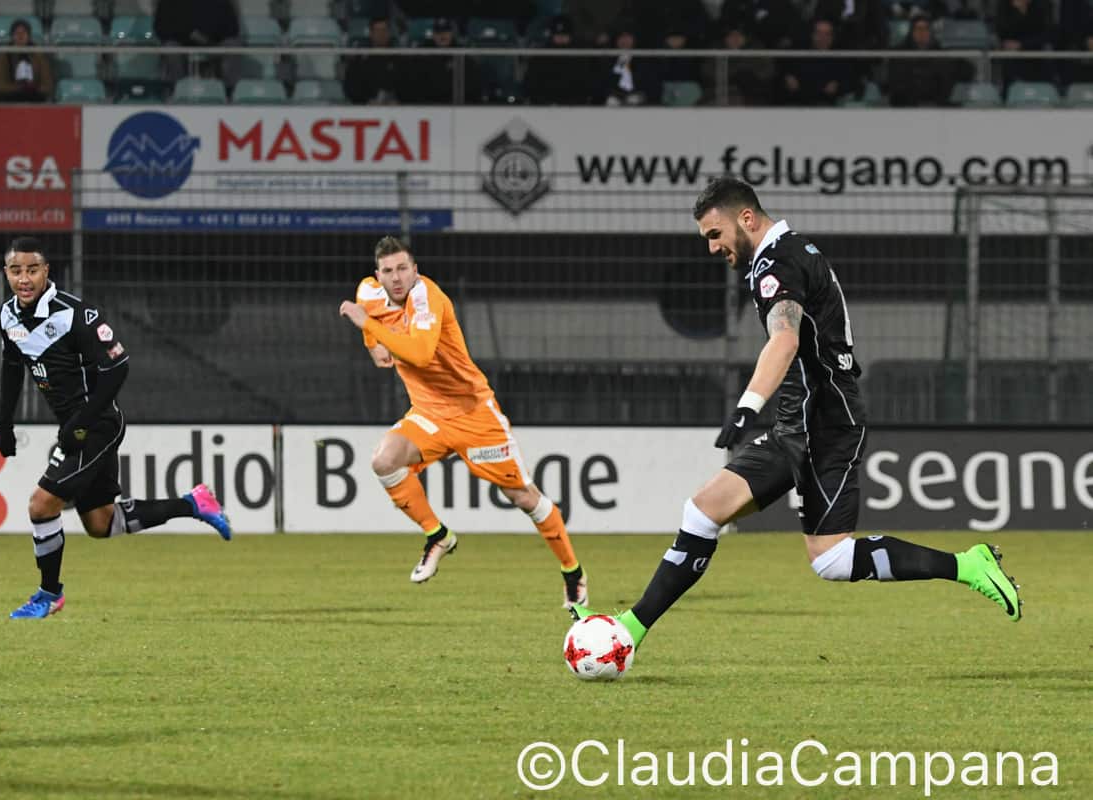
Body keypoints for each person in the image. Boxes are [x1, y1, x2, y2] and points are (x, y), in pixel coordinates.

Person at [571, 178, 1022, 650]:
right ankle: (630, 629)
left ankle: (967, 565)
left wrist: (747, 406)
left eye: (715, 234)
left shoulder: (777, 262)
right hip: (804, 418)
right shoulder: (788, 253)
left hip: (823, 421)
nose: (712, 247)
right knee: (715, 516)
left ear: (746, 218)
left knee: (821, 555)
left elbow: (784, 339)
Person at [338, 236, 588, 609]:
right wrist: (372, 343)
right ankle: (437, 535)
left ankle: (573, 572)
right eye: (388, 271)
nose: (396, 277)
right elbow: (368, 318)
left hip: (473, 413)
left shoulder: (428, 297)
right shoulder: (367, 292)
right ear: (378, 275)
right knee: (384, 461)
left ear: (415, 270)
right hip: (428, 412)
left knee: (523, 497)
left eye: (403, 268)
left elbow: (421, 354)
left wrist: (369, 326)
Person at [0, 237, 232, 620]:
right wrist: (5, 422)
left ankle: (48, 594)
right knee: (101, 523)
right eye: (16, 270)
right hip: (75, 426)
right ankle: (193, 503)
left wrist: (81, 422)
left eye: (32, 270)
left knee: (41, 504)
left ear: (46, 271)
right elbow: (11, 365)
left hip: (98, 424)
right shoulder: (7, 315)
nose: (24, 278)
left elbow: (117, 367)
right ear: (6, 273)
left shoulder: (75, 314)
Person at [887, 15, 956, 106]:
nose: (922, 32)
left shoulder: (941, 55)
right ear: (912, 32)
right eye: (918, 29)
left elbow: (945, 85)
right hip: (905, 105)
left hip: (935, 105)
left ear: (931, 32)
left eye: (926, 29)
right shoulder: (898, 54)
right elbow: (896, 85)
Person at [0, 19, 53, 102]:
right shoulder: (2, 56)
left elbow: (47, 84)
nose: (20, 35)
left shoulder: (39, 55)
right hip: (8, 98)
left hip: (34, 96)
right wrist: (18, 88)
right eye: (17, 33)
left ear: (29, 36)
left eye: (23, 32)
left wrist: (34, 88)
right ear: (12, 36)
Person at [343, 16, 403, 104]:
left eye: (384, 30)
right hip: (366, 107)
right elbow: (350, 87)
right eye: (377, 30)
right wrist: (367, 101)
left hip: (395, 107)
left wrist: (398, 100)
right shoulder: (359, 59)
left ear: (389, 33)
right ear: (371, 33)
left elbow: (405, 85)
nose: (381, 34)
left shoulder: (399, 58)